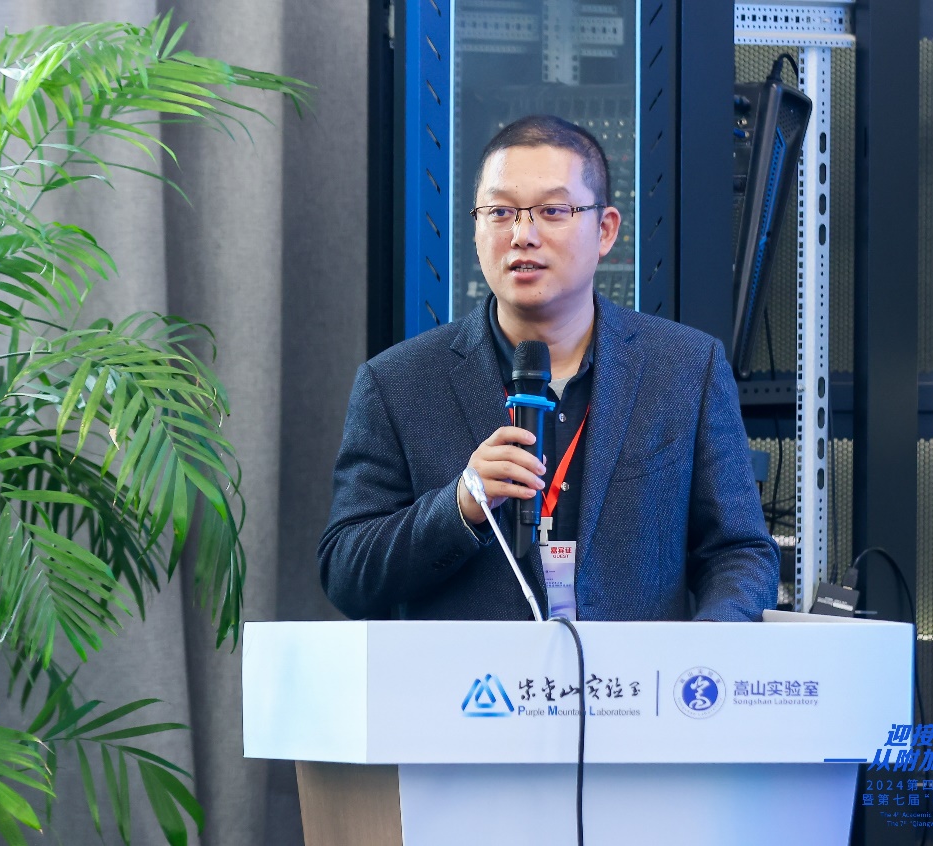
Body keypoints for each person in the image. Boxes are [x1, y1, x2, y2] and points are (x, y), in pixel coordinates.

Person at [318, 115, 778, 622]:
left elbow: (739, 554)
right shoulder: (397, 383)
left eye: (553, 211)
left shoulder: (685, 368)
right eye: (500, 212)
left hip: (634, 674)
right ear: (476, 229)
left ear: (605, 230)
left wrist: (700, 653)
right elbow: (346, 573)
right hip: (474, 674)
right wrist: (460, 505)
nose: (523, 234)